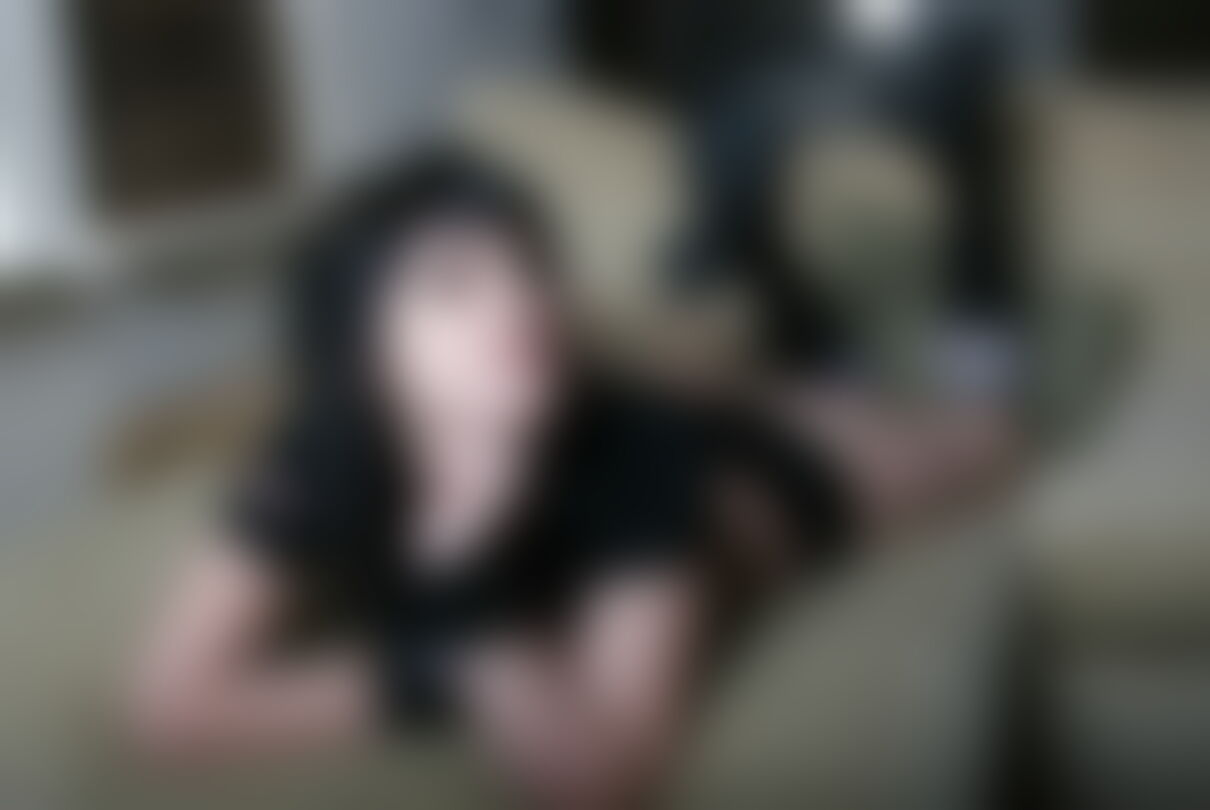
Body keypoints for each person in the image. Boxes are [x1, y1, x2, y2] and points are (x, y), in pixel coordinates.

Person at [128, 149, 1017, 809]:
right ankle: (807, 367)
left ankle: (860, 362)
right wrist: (448, 638)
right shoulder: (322, 456)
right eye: (453, 284)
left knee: (990, 442)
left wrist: (461, 597)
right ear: (364, 355)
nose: (519, 299)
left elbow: (603, 781)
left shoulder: (632, 453)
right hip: (650, 427)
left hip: (779, 487)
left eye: (527, 266)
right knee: (738, 388)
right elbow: (174, 709)